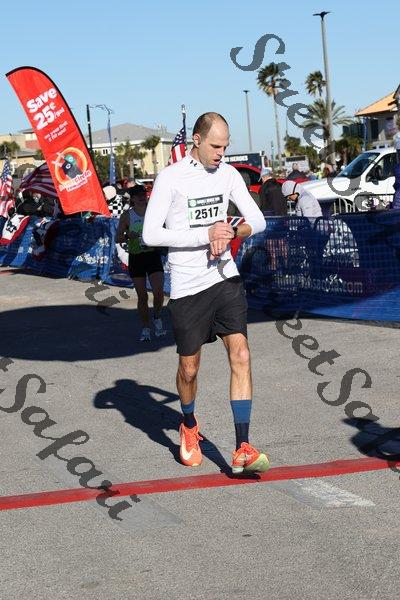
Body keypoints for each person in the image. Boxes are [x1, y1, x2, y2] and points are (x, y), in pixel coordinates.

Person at [142, 112, 269, 474]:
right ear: (196, 140)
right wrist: (205, 234)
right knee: (189, 368)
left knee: (241, 354)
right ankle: (188, 424)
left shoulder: (228, 175)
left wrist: (231, 230)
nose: (221, 153)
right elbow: (151, 234)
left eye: (225, 146)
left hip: (225, 278)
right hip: (187, 285)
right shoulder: (171, 178)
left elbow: (257, 220)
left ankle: (242, 446)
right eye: (215, 146)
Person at [116, 184, 166, 341]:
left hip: (152, 255)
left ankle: (157, 316)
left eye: (144, 194)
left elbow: (164, 230)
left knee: (159, 292)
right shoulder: (127, 216)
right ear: (132, 198)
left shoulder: (153, 213)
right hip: (136, 257)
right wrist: (127, 235)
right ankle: (145, 327)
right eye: (138, 195)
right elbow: (117, 238)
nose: (142, 197)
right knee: (142, 296)